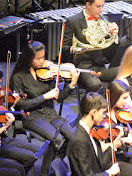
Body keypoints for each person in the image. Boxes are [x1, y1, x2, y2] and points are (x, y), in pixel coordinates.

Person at [10, 41, 80, 175]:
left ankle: (57, 160)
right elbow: (22, 105)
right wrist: (44, 97)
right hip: (32, 117)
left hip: (51, 115)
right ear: (28, 58)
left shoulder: (46, 74)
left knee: (74, 136)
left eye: (43, 57)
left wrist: (72, 84)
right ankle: (44, 172)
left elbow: (59, 98)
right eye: (38, 58)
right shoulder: (18, 77)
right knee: (57, 138)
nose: (42, 61)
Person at [63, 0, 119, 92]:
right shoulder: (73, 21)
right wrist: (75, 49)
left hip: (100, 65)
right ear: (88, 5)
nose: (101, 10)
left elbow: (110, 51)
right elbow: (63, 48)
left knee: (125, 73)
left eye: (102, 6)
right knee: (95, 84)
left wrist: (114, 36)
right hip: (82, 67)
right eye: (98, 6)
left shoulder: (103, 20)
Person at [67, 92, 120, 175]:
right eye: (103, 113)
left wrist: (113, 146)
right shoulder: (79, 141)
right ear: (94, 113)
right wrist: (109, 173)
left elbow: (98, 162)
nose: (104, 116)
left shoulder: (90, 132)